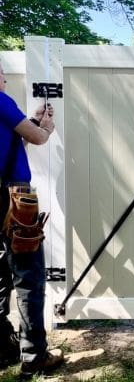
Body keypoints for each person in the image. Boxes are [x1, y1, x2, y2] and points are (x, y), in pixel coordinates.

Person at [0, 62, 64, 376]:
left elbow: (14, 143)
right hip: (13, 199)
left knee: (0, 275)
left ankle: (3, 346)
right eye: (1, 73)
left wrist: (33, 123)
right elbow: (37, 138)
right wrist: (47, 127)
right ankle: (34, 356)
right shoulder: (1, 100)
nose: (5, 78)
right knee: (28, 276)